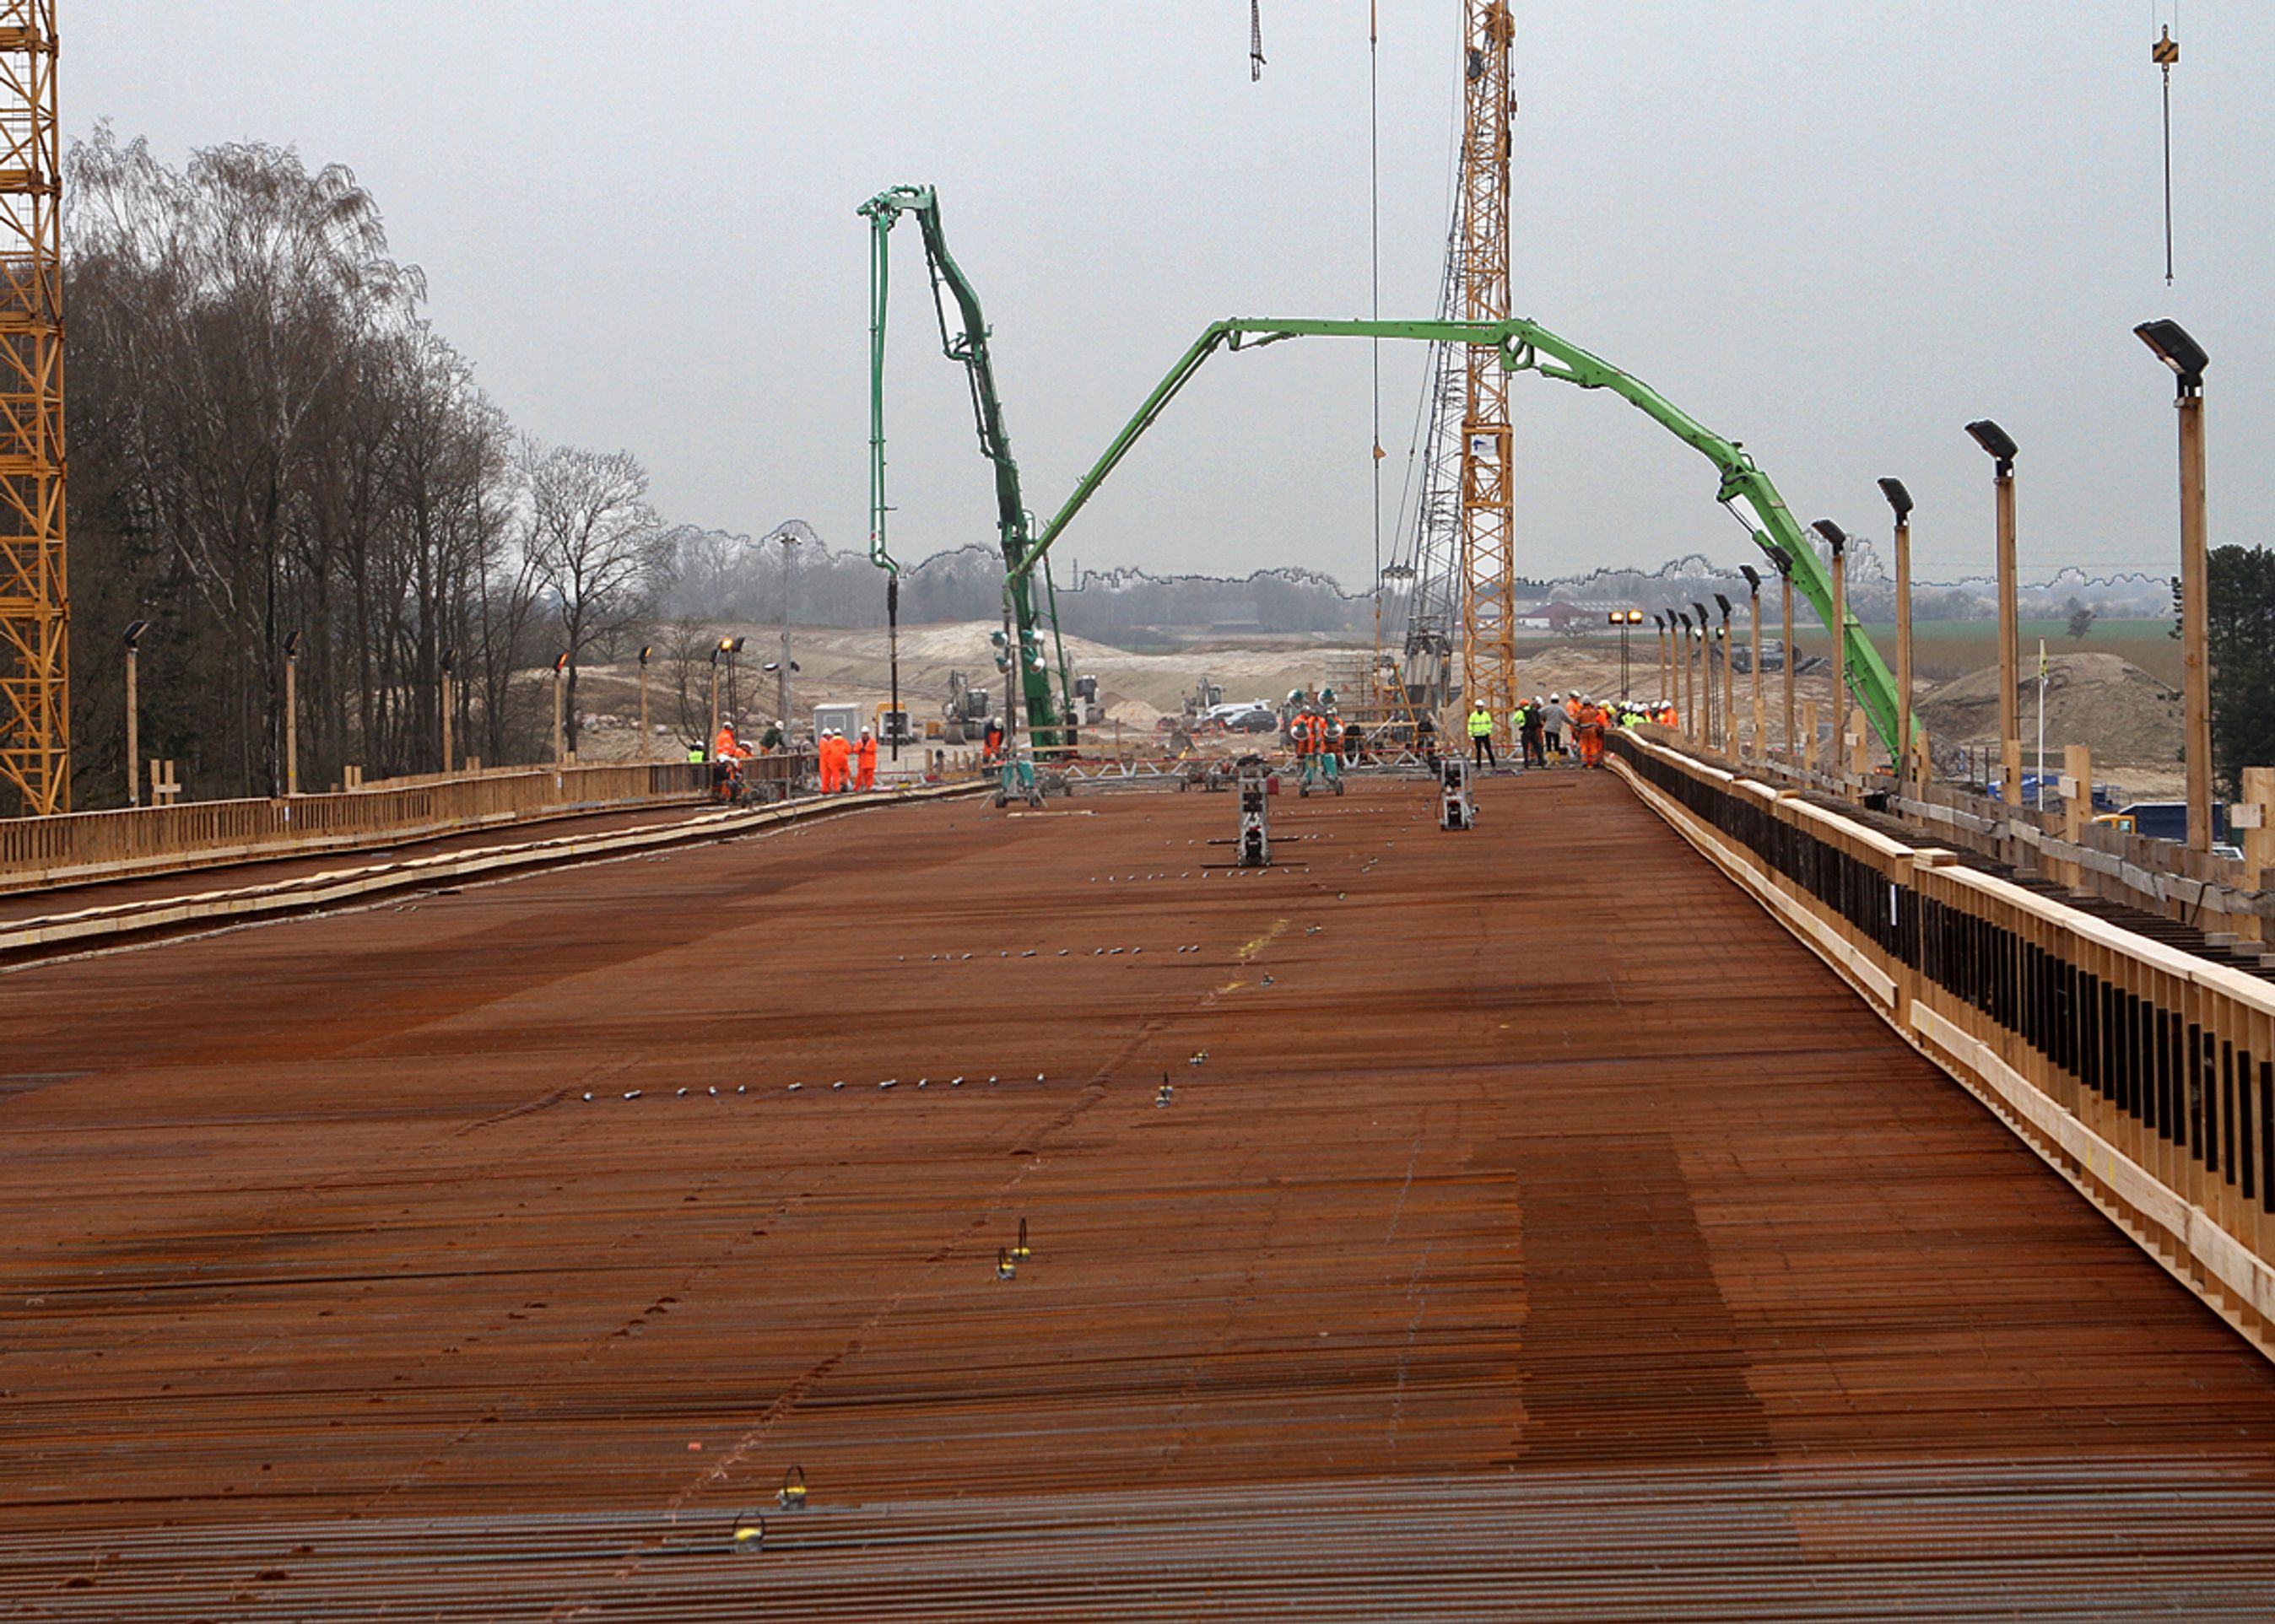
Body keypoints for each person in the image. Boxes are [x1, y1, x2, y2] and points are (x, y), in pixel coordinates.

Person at [1519, 697, 1548, 769]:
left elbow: (1515, 719)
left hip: (1526, 731)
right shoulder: (1535, 711)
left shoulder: (1523, 711)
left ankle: (1527, 763)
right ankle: (1541, 762)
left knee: (1526, 747)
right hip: (1535, 731)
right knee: (1537, 746)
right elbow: (1540, 722)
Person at [1467, 702, 1495, 769]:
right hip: (1477, 735)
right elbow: (1470, 725)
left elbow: (1489, 724)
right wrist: (1471, 734)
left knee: (1489, 749)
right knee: (1478, 751)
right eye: (1478, 707)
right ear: (1476, 707)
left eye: (1481, 707)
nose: (1480, 708)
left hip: (1485, 735)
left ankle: (1493, 764)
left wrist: (1488, 731)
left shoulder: (1486, 715)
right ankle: (1478, 766)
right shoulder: (1473, 715)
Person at [1542, 693, 1564, 763]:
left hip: (1547, 729)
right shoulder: (1560, 709)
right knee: (1556, 745)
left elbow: (1538, 714)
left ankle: (1549, 760)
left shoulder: (1547, 708)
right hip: (1556, 729)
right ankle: (1557, 761)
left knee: (1548, 745)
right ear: (1558, 701)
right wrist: (1574, 723)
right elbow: (1566, 718)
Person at [855, 726, 878, 790]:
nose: (865, 735)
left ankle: (868, 788)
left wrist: (865, 749)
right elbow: (855, 750)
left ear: (868, 734)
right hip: (861, 763)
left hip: (870, 763)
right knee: (859, 777)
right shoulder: (859, 742)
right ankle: (857, 788)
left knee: (869, 777)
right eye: (864, 733)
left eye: (866, 733)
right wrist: (860, 749)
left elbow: (873, 749)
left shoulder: (872, 741)